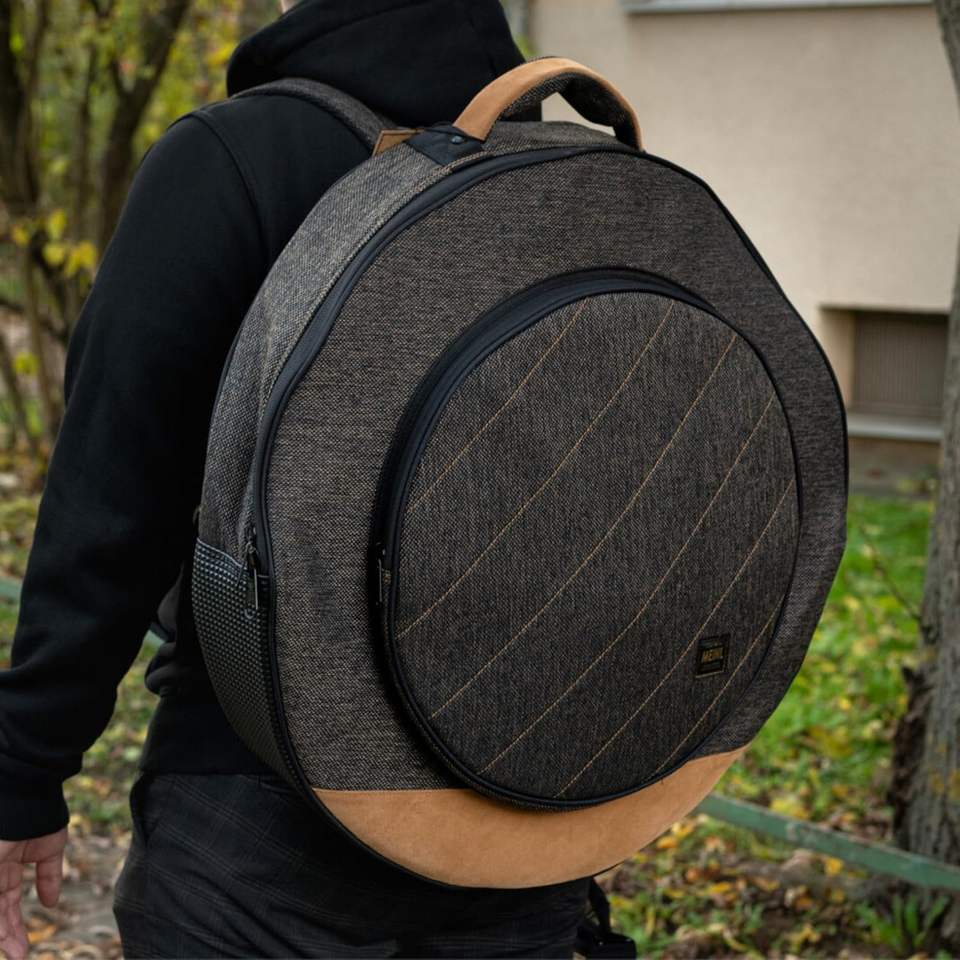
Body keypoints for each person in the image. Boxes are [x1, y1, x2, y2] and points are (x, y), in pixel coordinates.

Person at [0, 1, 594, 957]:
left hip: (261, 810)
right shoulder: (574, 172)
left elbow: (113, 504)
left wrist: (25, 766)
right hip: (526, 804)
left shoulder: (233, 160)